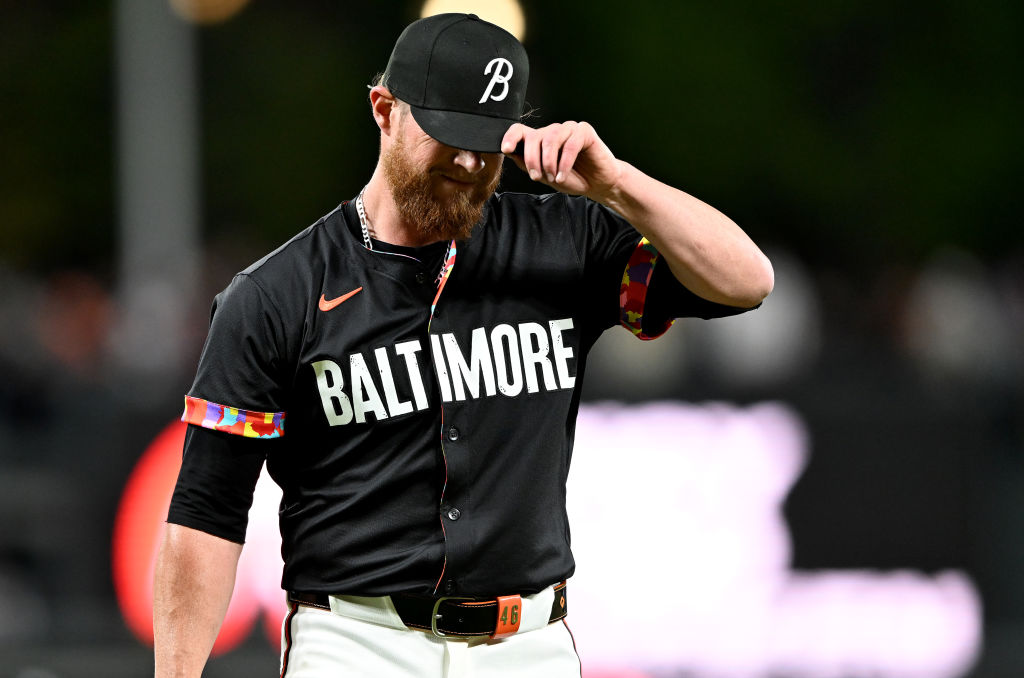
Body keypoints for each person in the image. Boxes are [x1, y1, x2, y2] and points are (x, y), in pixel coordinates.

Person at [153, 12, 774, 678]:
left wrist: (617, 185)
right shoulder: (277, 294)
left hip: (527, 643)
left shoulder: (565, 244)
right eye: (450, 133)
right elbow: (207, 513)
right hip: (357, 639)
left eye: (489, 141)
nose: (471, 161)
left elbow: (745, 282)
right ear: (384, 110)